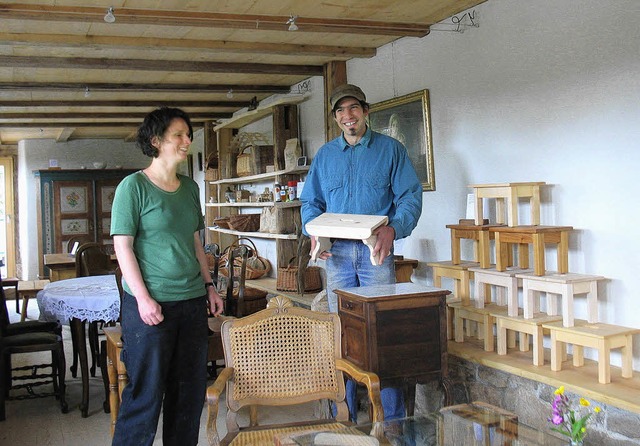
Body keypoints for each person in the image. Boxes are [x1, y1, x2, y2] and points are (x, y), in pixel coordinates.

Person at [300, 84, 422, 422]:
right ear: (336, 118)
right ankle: (346, 418)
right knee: (341, 333)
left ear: (366, 112)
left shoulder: (391, 150)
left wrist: (393, 228)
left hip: (375, 255)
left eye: (353, 108)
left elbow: (410, 197)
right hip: (336, 255)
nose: (347, 116)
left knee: (380, 331)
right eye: (340, 111)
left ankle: (393, 421)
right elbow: (311, 203)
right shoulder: (325, 156)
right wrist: (313, 231)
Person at [110, 107, 224, 446]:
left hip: (190, 303)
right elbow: (123, 248)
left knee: (188, 393)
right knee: (146, 394)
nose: (187, 140)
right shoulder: (133, 187)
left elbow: (194, 241)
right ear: (156, 140)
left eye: (189, 134)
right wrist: (143, 299)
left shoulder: (190, 189)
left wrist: (209, 286)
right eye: (179, 134)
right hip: (151, 306)